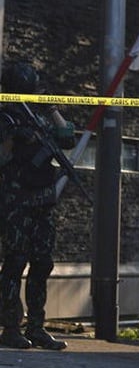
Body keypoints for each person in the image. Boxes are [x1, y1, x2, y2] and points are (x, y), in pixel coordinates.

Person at [0, 62, 76, 351]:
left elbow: (66, 138)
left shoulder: (39, 115)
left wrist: (52, 108)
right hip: (16, 201)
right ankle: (10, 326)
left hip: (42, 200)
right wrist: (14, 138)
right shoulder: (6, 115)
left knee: (42, 263)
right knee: (15, 262)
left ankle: (37, 327)